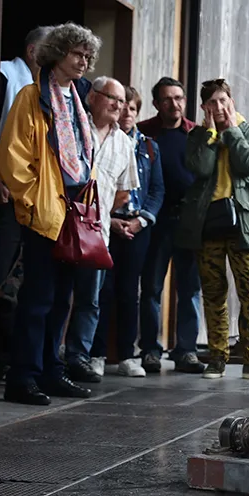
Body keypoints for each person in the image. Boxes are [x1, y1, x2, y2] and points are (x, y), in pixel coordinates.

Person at [0, 23, 102, 405]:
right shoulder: (30, 96)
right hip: (46, 208)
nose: (84, 61)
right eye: (78, 54)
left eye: (88, 56)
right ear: (57, 54)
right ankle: (22, 377)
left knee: (63, 298)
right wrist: (31, 202)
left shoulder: (78, 97)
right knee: (38, 297)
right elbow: (13, 157)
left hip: (75, 207)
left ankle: (50, 371)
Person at [180, 79, 249, 381]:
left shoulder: (248, 130)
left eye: (223, 100)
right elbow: (201, 168)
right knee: (213, 291)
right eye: (212, 103)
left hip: (243, 223)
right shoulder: (198, 135)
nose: (219, 107)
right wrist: (211, 133)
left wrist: (231, 131)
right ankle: (218, 357)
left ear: (231, 101)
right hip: (207, 222)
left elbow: (248, 163)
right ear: (204, 107)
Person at [64, 76, 140, 384]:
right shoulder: (73, 127)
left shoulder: (124, 141)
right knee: (56, 297)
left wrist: (96, 215)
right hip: (61, 226)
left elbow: (123, 192)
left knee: (89, 300)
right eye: (112, 98)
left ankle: (77, 357)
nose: (118, 106)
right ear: (93, 97)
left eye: (122, 102)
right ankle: (48, 357)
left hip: (97, 235)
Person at [90, 85, 164, 377]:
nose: (126, 113)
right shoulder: (104, 139)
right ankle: (95, 353)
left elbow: (157, 190)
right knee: (101, 290)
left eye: (132, 108)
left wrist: (141, 220)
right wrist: (111, 220)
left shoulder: (148, 146)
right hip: (106, 224)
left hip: (136, 228)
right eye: (122, 107)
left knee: (129, 292)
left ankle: (126, 355)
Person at [0, 25, 52, 382]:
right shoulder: (4, 74)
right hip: (6, 193)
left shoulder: (52, 91)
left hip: (39, 199)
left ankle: (20, 358)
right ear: (32, 51)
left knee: (28, 280)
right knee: (2, 276)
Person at [137, 77, 206, 375]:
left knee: (190, 288)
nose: (174, 104)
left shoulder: (196, 133)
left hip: (189, 221)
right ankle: (150, 350)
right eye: (167, 99)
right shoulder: (143, 133)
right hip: (155, 221)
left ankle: (186, 351)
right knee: (151, 287)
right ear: (156, 104)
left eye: (178, 98)